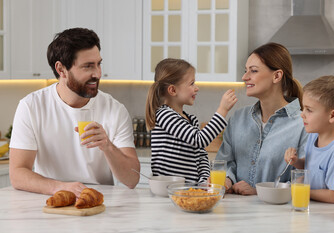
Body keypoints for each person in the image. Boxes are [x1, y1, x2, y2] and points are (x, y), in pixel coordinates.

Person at [9, 28, 140, 197]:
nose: (98, 74)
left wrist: (108, 146)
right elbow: (18, 173)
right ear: (61, 69)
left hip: (97, 203)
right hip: (50, 200)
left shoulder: (115, 110)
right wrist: (59, 187)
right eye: (88, 66)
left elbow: (132, 180)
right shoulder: (31, 106)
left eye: (99, 64)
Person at [216, 42, 308, 195]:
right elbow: (225, 163)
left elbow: (303, 178)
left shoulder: (303, 124)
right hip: (234, 212)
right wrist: (227, 179)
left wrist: (258, 191)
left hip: (280, 215)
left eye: (253, 71)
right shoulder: (238, 118)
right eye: (246, 71)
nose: (245, 77)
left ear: (277, 76)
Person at [145, 58, 238, 183]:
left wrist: (204, 180)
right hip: (168, 193)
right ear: (172, 90)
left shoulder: (191, 120)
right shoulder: (164, 115)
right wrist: (223, 110)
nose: (196, 88)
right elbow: (200, 140)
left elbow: (201, 156)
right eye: (191, 83)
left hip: (190, 191)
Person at [284, 75, 334, 203]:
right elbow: (312, 166)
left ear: (332, 116)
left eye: (309, 110)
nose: (302, 114)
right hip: (316, 210)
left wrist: (301, 190)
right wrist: (296, 162)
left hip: (331, 216)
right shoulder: (314, 136)